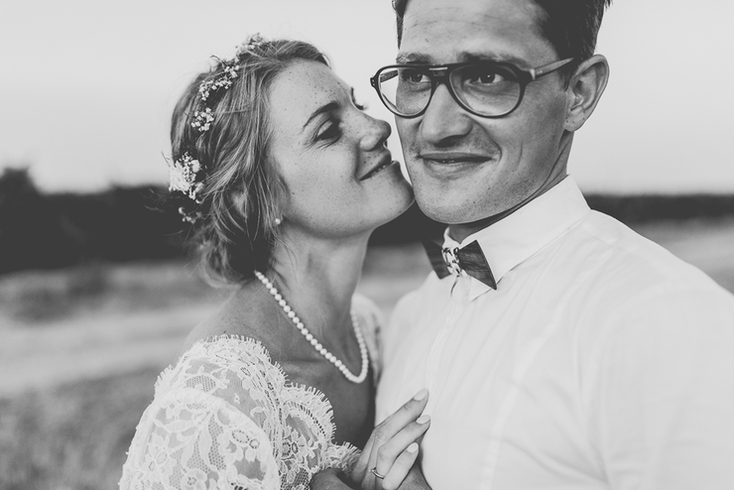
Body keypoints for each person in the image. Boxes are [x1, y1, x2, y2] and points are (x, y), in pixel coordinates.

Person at [368, 0, 734, 488]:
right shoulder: (409, 317)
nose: (435, 127)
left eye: (486, 76)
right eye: (415, 76)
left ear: (579, 93)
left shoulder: (663, 321)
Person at [119, 34, 430, 490]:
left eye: (358, 105)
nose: (376, 127)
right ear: (252, 198)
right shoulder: (216, 399)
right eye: (328, 131)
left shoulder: (368, 331)